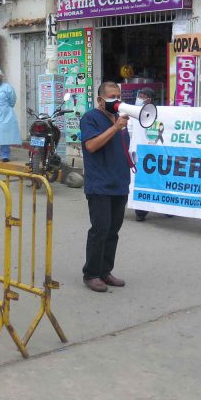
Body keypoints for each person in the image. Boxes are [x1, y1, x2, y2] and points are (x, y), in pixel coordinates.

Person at [80, 81, 131, 293]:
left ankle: (105, 270)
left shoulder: (120, 118)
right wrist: (115, 127)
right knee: (100, 229)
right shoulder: (90, 118)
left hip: (119, 183)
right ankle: (91, 273)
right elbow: (91, 146)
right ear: (101, 100)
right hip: (100, 184)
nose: (116, 100)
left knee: (113, 231)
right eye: (112, 96)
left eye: (119, 95)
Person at [132, 87, 156, 222]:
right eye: (139, 95)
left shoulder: (158, 113)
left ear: (149, 99)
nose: (139, 97)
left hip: (153, 152)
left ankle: (168, 210)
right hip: (137, 151)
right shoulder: (133, 111)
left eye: (142, 96)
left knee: (153, 179)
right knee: (139, 179)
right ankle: (140, 211)